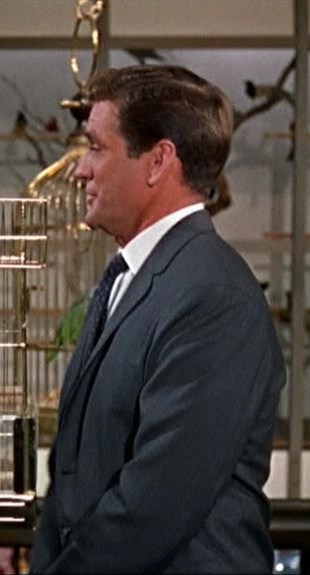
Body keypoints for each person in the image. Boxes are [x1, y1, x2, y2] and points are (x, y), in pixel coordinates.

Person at [30, 65, 286, 573]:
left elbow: (153, 505)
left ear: (157, 161)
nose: (80, 171)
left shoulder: (213, 296)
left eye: (96, 148)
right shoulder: (128, 277)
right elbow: (73, 474)